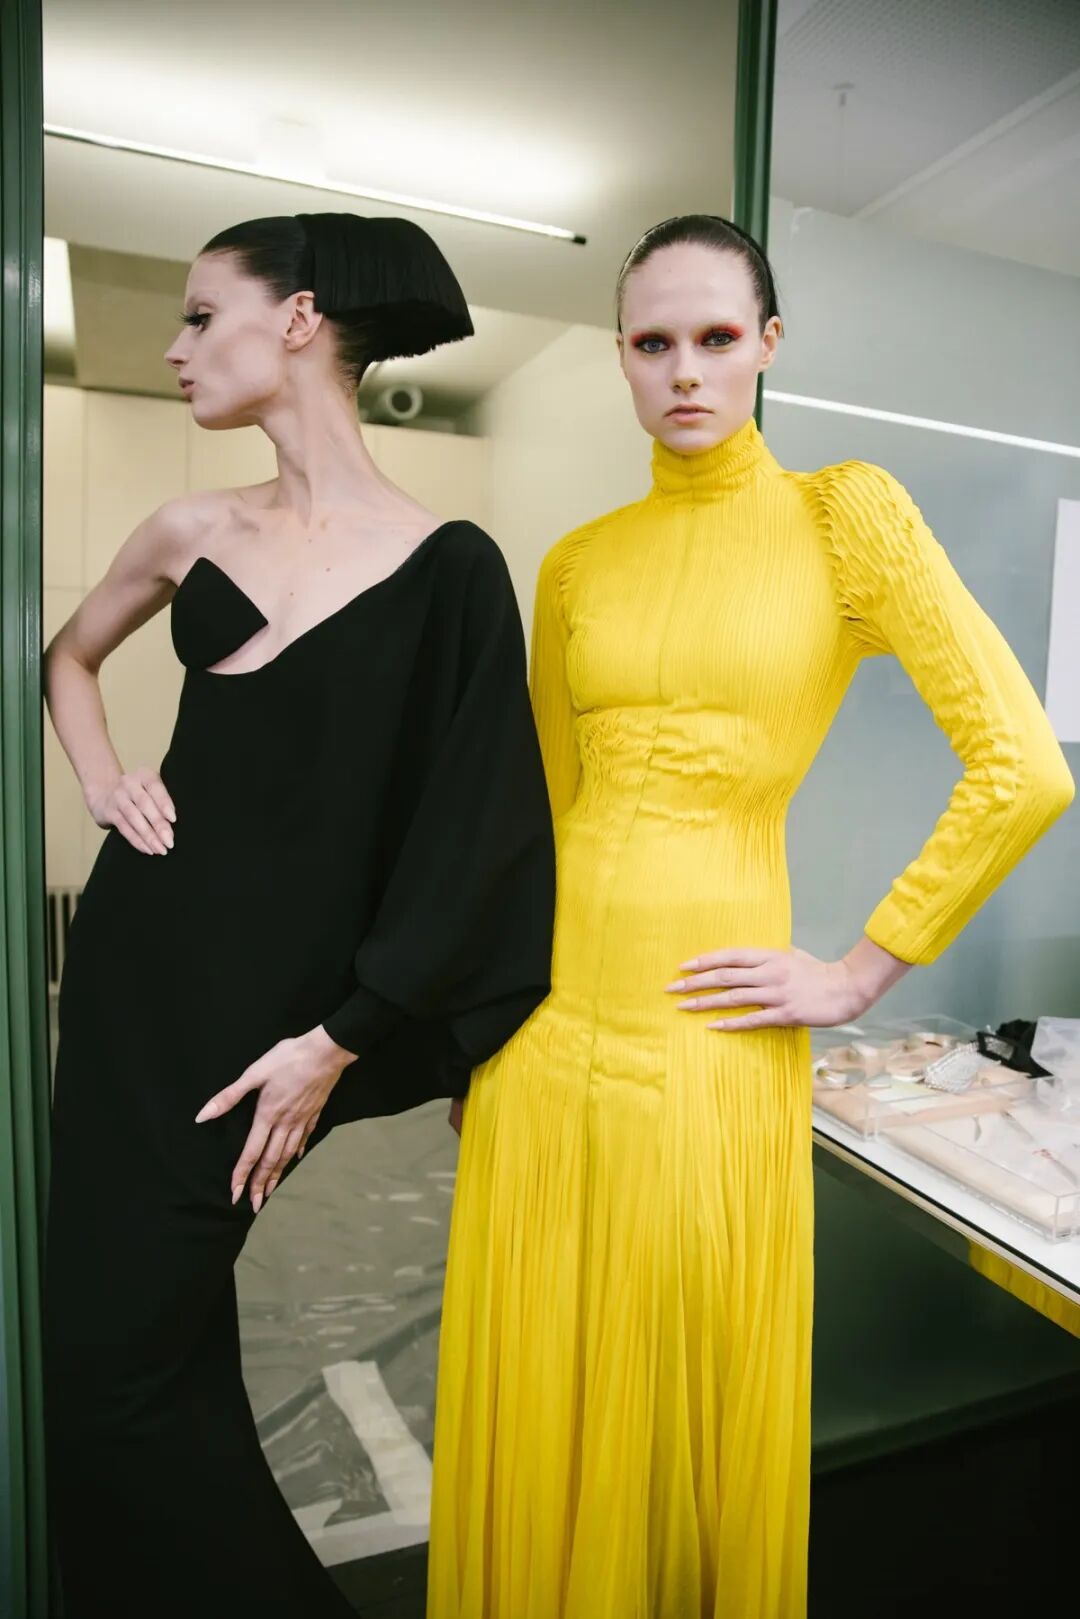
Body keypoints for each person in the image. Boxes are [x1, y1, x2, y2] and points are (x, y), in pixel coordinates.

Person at [427, 214, 1074, 1619]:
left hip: (709, 1025)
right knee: (548, 1366)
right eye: (652, 342)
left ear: (770, 344)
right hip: (544, 1034)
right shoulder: (577, 563)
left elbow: (1023, 767)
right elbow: (537, 815)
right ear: (619, 356)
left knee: (678, 1380)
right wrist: (479, 1032)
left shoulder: (844, 516)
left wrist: (860, 972)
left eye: (718, 337)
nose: (685, 371)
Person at [42, 211, 555, 1619]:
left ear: (301, 318)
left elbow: (479, 831)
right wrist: (106, 781)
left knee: (120, 1368)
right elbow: (68, 658)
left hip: (274, 1026)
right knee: (129, 1358)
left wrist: (343, 1038)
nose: (177, 346)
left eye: (202, 314)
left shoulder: (451, 567)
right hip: (137, 985)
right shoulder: (192, 527)